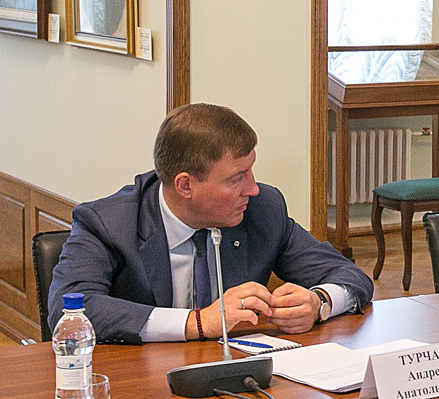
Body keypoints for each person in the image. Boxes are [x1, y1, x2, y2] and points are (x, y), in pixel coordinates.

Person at [47, 104, 373, 345]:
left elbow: (349, 275)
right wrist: (198, 322)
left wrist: (319, 302)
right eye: (236, 178)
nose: (253, 189)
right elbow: (69, 309)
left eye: (251, 170)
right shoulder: (108, 223)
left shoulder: (262, 209)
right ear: (185, 185)